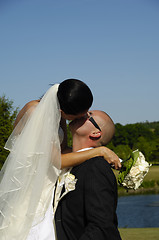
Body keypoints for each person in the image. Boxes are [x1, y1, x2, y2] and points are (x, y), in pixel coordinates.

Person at [0, 79, 121, 240]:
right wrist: (99, 151)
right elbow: (58, 160)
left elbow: (62, 150)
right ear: (63, 110)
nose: (84, 115)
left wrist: (88, 152)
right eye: (81, 114)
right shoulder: (34, 111)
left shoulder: (58, 114)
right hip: (33, 184)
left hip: (49, 183)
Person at [55, 110, 122, 240]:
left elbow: (101, 226)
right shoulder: (66, 162)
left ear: (96, 133)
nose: (82, 113)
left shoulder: (96, 167)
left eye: (89, 115)